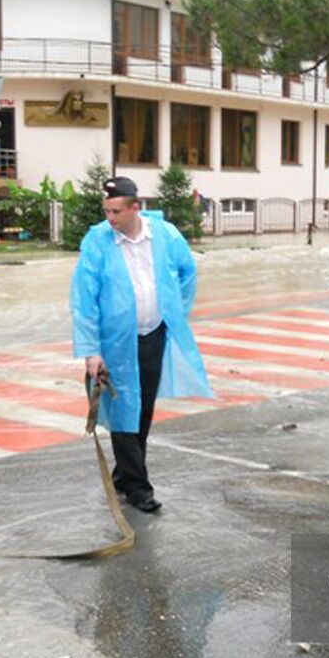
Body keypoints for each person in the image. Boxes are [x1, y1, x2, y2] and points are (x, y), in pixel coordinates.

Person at [70, 176, 212, 513]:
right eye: (106, 211)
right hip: (115, 343)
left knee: (143, 409)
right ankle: (138, 487)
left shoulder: (164, 234)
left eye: (116, 211)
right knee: (122, 411)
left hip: (153, 336)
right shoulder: (97, 241)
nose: (110, 218)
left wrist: (175, 311)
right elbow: (84, 299)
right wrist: (91, 351)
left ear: (135, 207)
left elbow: (188, 271)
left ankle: (124, 476)